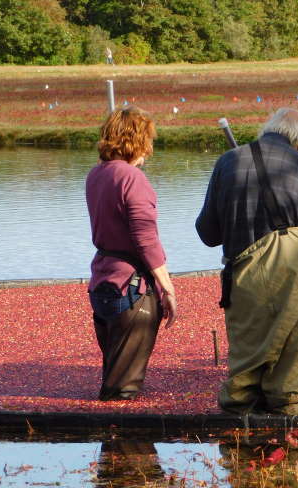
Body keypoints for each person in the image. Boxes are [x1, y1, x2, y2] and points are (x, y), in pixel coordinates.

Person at [195, 107, 298, 415]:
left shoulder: (228, 162)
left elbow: (208, 233)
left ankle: (242, 450)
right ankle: (297, 455)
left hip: (245, 285)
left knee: (244, 383)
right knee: (294, 388)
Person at [86, 106, 177, 401]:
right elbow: (145, 238)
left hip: (102, 282)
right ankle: (122, 442)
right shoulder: (131, 178)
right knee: (121, 390)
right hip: (131, 288)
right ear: (139, 142)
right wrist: (166, 285)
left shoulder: (96, 174)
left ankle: (114, 443)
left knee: (115, 370)